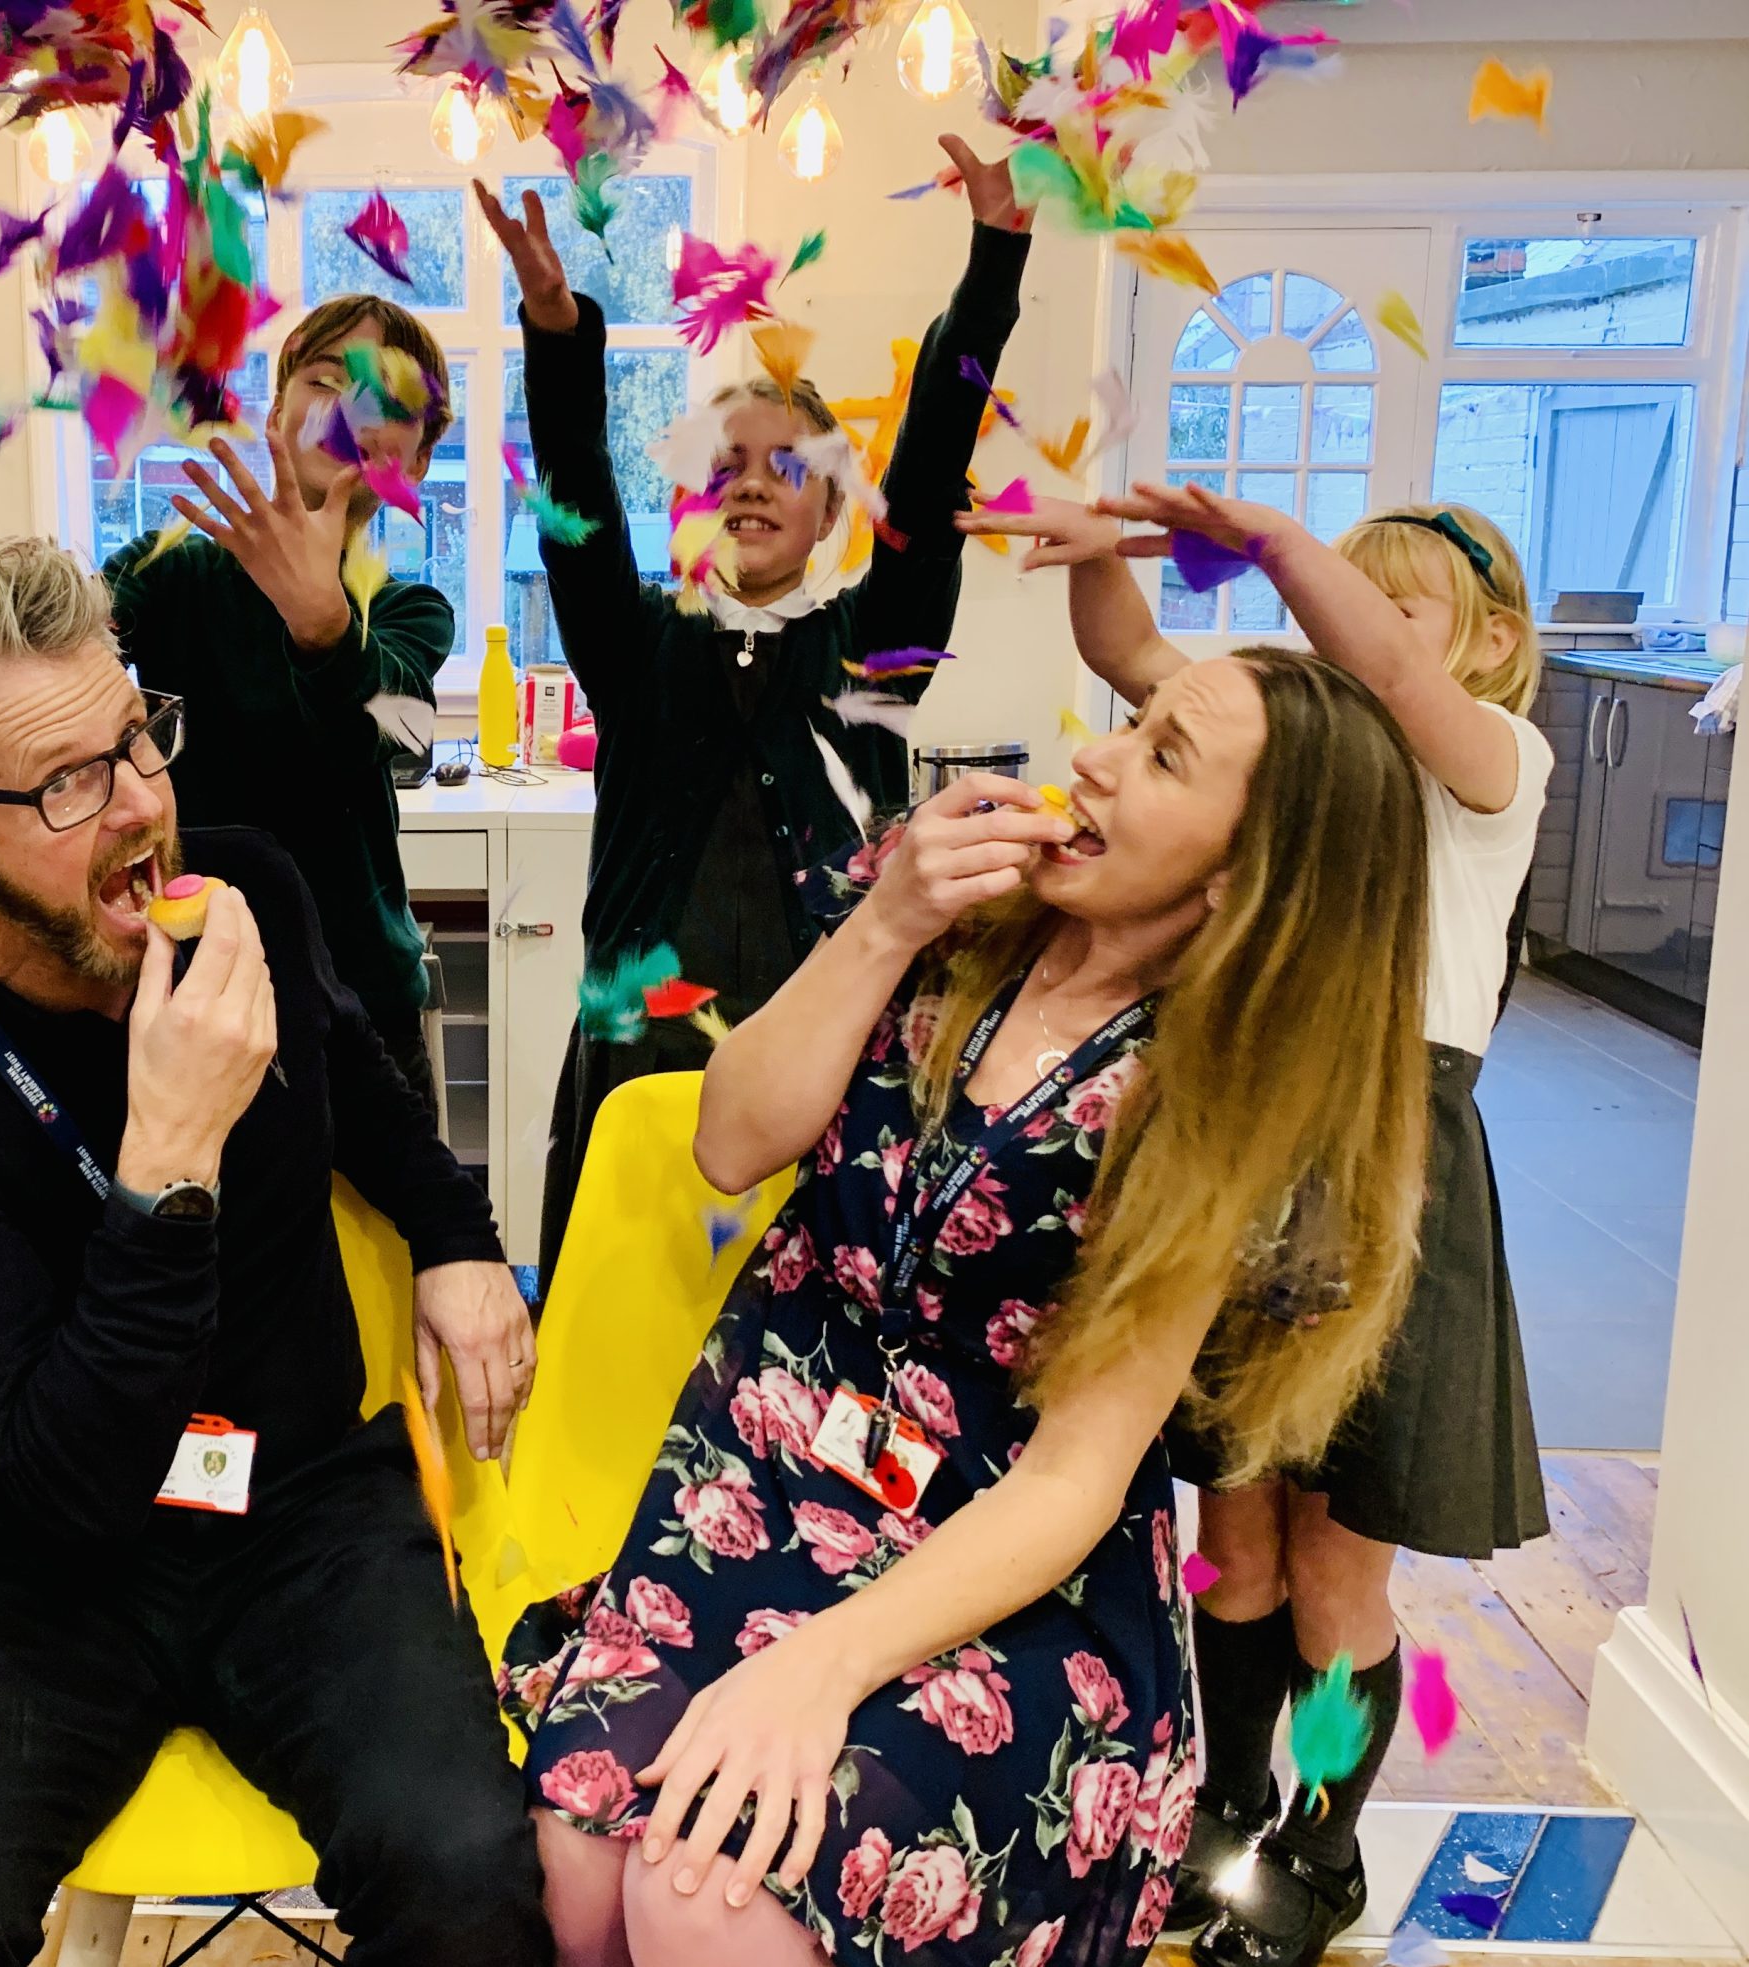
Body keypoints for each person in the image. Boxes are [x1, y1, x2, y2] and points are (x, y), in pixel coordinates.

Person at [503, 648, 1437, 1967]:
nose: (1098, 756)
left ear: (1248, 876)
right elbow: (728, 1138)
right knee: (581, 1852)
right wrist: (880, 921)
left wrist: (816, 1669)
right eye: (1133, 722)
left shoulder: (1211, 1107)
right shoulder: (959, 929)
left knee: (701, 1896)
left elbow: (1070, 1484)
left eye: (1165, 756)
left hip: (994, 1573)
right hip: (759, 1484)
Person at [0, 538, 550, 1967]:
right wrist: (166, 1166)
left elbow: (358, 1082)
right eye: (68, 783)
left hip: (309, 1508)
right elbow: (57, 1464)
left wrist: (456, 1234)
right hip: (34, 1550)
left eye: (137, 735)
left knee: (473, 1886)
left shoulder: (243, 889)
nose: (142, 805)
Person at [961, 484, 1549, 1967]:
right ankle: (1222, 1801)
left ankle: (1320, 1839)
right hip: (1252, 1148)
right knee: (1232, 1536)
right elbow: (1138, 652)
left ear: (1489, 638)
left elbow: (1405, 686)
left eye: (1390, 603)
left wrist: (1285, 551)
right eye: (1343, 597)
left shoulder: (1497, 769)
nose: (1352, 631)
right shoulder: (1303, 750)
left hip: (1395, 1181)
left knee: (1341, 1572)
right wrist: (1094, 560)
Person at [473, 143, 1036, 1291]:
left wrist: (993, 267)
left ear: (834, 506)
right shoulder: (637, 647)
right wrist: (555, 333)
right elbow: (572, 489)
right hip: (640, 1060)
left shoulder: (870, 652)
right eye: (725, 463)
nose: (750, 482)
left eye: (787, 464)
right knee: (620, 1323)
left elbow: (925, 486)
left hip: (819, 1055)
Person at [0, 293, 457, 1109]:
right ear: (281, 402)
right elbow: (67, 644)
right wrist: (4, 600)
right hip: (187, 983)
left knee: (400, 1229)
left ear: (417, 460)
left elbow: (386, 734)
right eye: (330, 381)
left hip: (362, 1000)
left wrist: (326, 626)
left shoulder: (412, 614)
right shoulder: (176, 574)